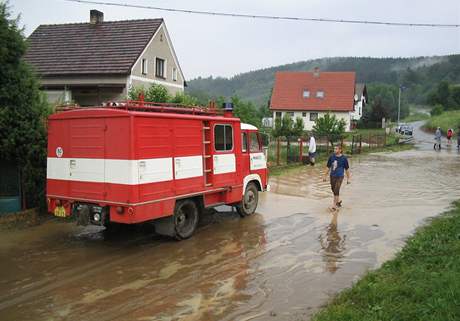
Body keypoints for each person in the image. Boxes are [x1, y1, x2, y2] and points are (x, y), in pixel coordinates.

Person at [323, 145, 351, 211]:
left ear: (340, 150)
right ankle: (338, 201)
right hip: (332, 176)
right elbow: (328, 167)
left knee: (336, 189)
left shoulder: (344, 158)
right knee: (333, 189)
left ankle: (334, 206)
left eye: (336, 149)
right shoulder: (331, 157)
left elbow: (347, 169)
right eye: (334, 149)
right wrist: (324, 176)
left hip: (340, 176)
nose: (334, 150)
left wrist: (348, 178)